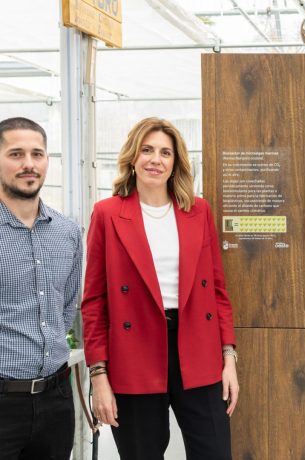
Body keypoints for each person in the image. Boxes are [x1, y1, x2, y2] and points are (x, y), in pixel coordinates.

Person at [81, 117, 238, 460]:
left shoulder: (198, 210)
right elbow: (94, 302)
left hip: (198, 348)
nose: (156, 159)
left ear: (176, 162)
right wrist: (99, 376)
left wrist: (229, 358)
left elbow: (217, 291)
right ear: (133, 158)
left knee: (214, 452)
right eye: (147, 150)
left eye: (165, 152)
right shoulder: (107, 213)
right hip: (134, 352)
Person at [0, 117, 82, 459]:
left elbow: (66, 307)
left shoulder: (67, 232)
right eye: (16, 154)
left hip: (56, 399)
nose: (29, 164)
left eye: (37, 154)